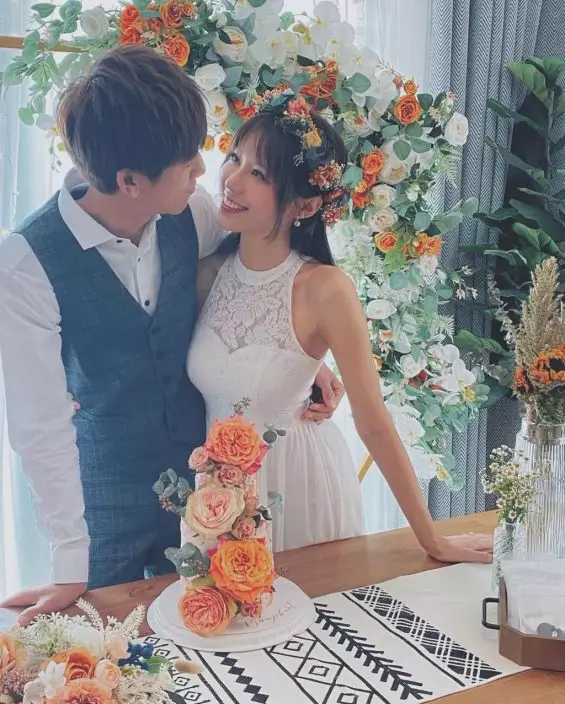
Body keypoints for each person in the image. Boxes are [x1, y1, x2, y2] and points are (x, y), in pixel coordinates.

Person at [0, 47, 342, 625]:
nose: (205, 171)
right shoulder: (25, 263)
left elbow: (246, 287)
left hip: (208, 498)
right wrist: (68, 562)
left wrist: (302, 362)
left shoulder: (195, 213)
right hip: (104, 504)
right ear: (130, 181)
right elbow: (39, 426)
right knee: (113, 654)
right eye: (187, 162)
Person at [189, 92, 493, 561]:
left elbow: (373, 422)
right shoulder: (206, 274)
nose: (232, 179)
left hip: (299, 487)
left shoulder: (325, 289)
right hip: (217, 495)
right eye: (234, 157)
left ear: (305, 206)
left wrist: (432, 539)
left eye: (259, 173)